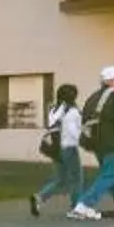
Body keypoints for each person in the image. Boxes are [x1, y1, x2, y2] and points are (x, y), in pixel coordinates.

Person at [72, 65, 114, 221]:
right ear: (111, 80)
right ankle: (84, 204)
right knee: (110, 174)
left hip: (97, 144)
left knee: (112, 174)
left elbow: (85, 120)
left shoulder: (92, 98)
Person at [31, 82, 83, 218]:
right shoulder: (71, 110)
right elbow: (73, 131)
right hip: (68, 147)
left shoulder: (54, 109)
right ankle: (76, 207)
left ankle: (40, 197)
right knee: (76, 179)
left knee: (60, 179)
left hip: (55, 148)